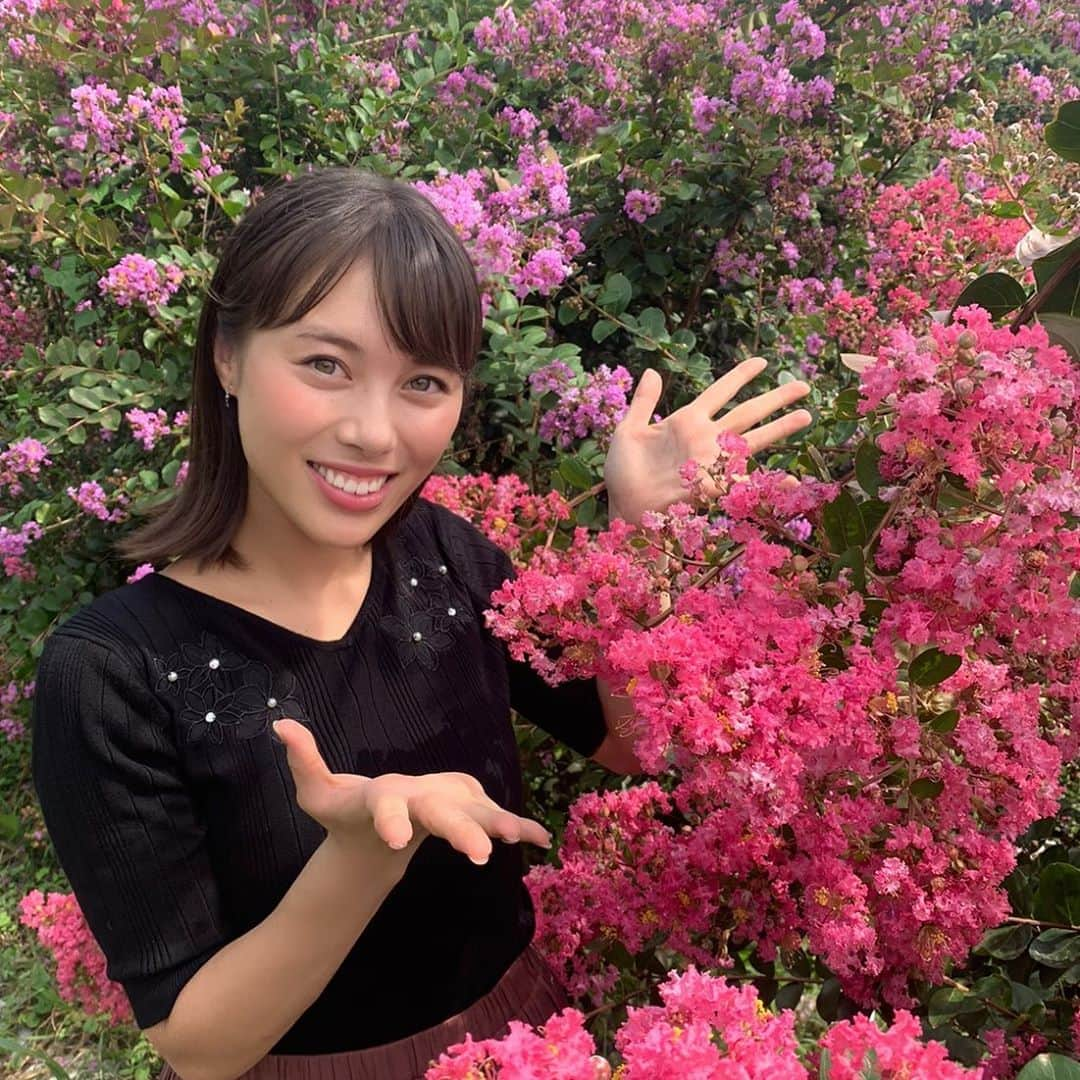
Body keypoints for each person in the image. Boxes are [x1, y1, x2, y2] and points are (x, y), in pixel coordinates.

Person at [29, 166, 813, 1080]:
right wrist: (360, 854)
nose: (374, 432)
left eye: (424, 382)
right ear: (229, 356)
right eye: (326, 364)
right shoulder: (114, 670)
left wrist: (644, 545)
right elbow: (199, 1044)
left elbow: (625, 744)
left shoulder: (448, 558)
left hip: (522, 1040)